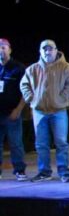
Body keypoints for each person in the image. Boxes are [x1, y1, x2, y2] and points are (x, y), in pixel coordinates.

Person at [20, 39, 69, 182]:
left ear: (56, 50)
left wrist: (62, 98)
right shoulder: (32, 69)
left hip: (59, 111)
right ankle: (44, 172)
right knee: (41, 144)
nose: (47, 52)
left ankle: (63, 171)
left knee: (61, 142)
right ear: (40, 52)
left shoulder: (67, 68)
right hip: (39, 112)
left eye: (50, 49)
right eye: (44, 49)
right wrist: (31, 99)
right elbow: (24, 84)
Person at [0, 38, 27, 181]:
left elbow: (25, 92)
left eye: (3, 47)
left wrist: (18, 109)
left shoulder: (18, 68)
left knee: (15, 143)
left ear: (9, 50)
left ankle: (19, 170)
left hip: (12, 112)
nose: (1, 50)